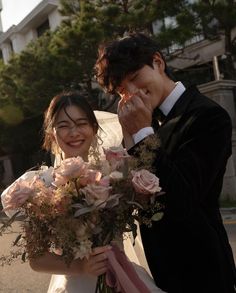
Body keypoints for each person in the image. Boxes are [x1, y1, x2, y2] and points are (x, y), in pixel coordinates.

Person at [95, 33, 236, 293]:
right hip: (161, 269)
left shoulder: (207, 116)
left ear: (158, 62)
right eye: (123, 89)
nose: (133, 92)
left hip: (202, 270)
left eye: (135, 78)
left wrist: (141, 133)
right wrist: (129, 140)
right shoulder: (146, 121)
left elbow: (182, 198)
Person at [1, 91, 163, 293]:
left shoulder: (115, 173)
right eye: (64, 126)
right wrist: (81, 267)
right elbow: (37, 260)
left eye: (81, 123)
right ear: (52, 134)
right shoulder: (39, 187)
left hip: (123, 278)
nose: (74, 132)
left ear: (94, 128)